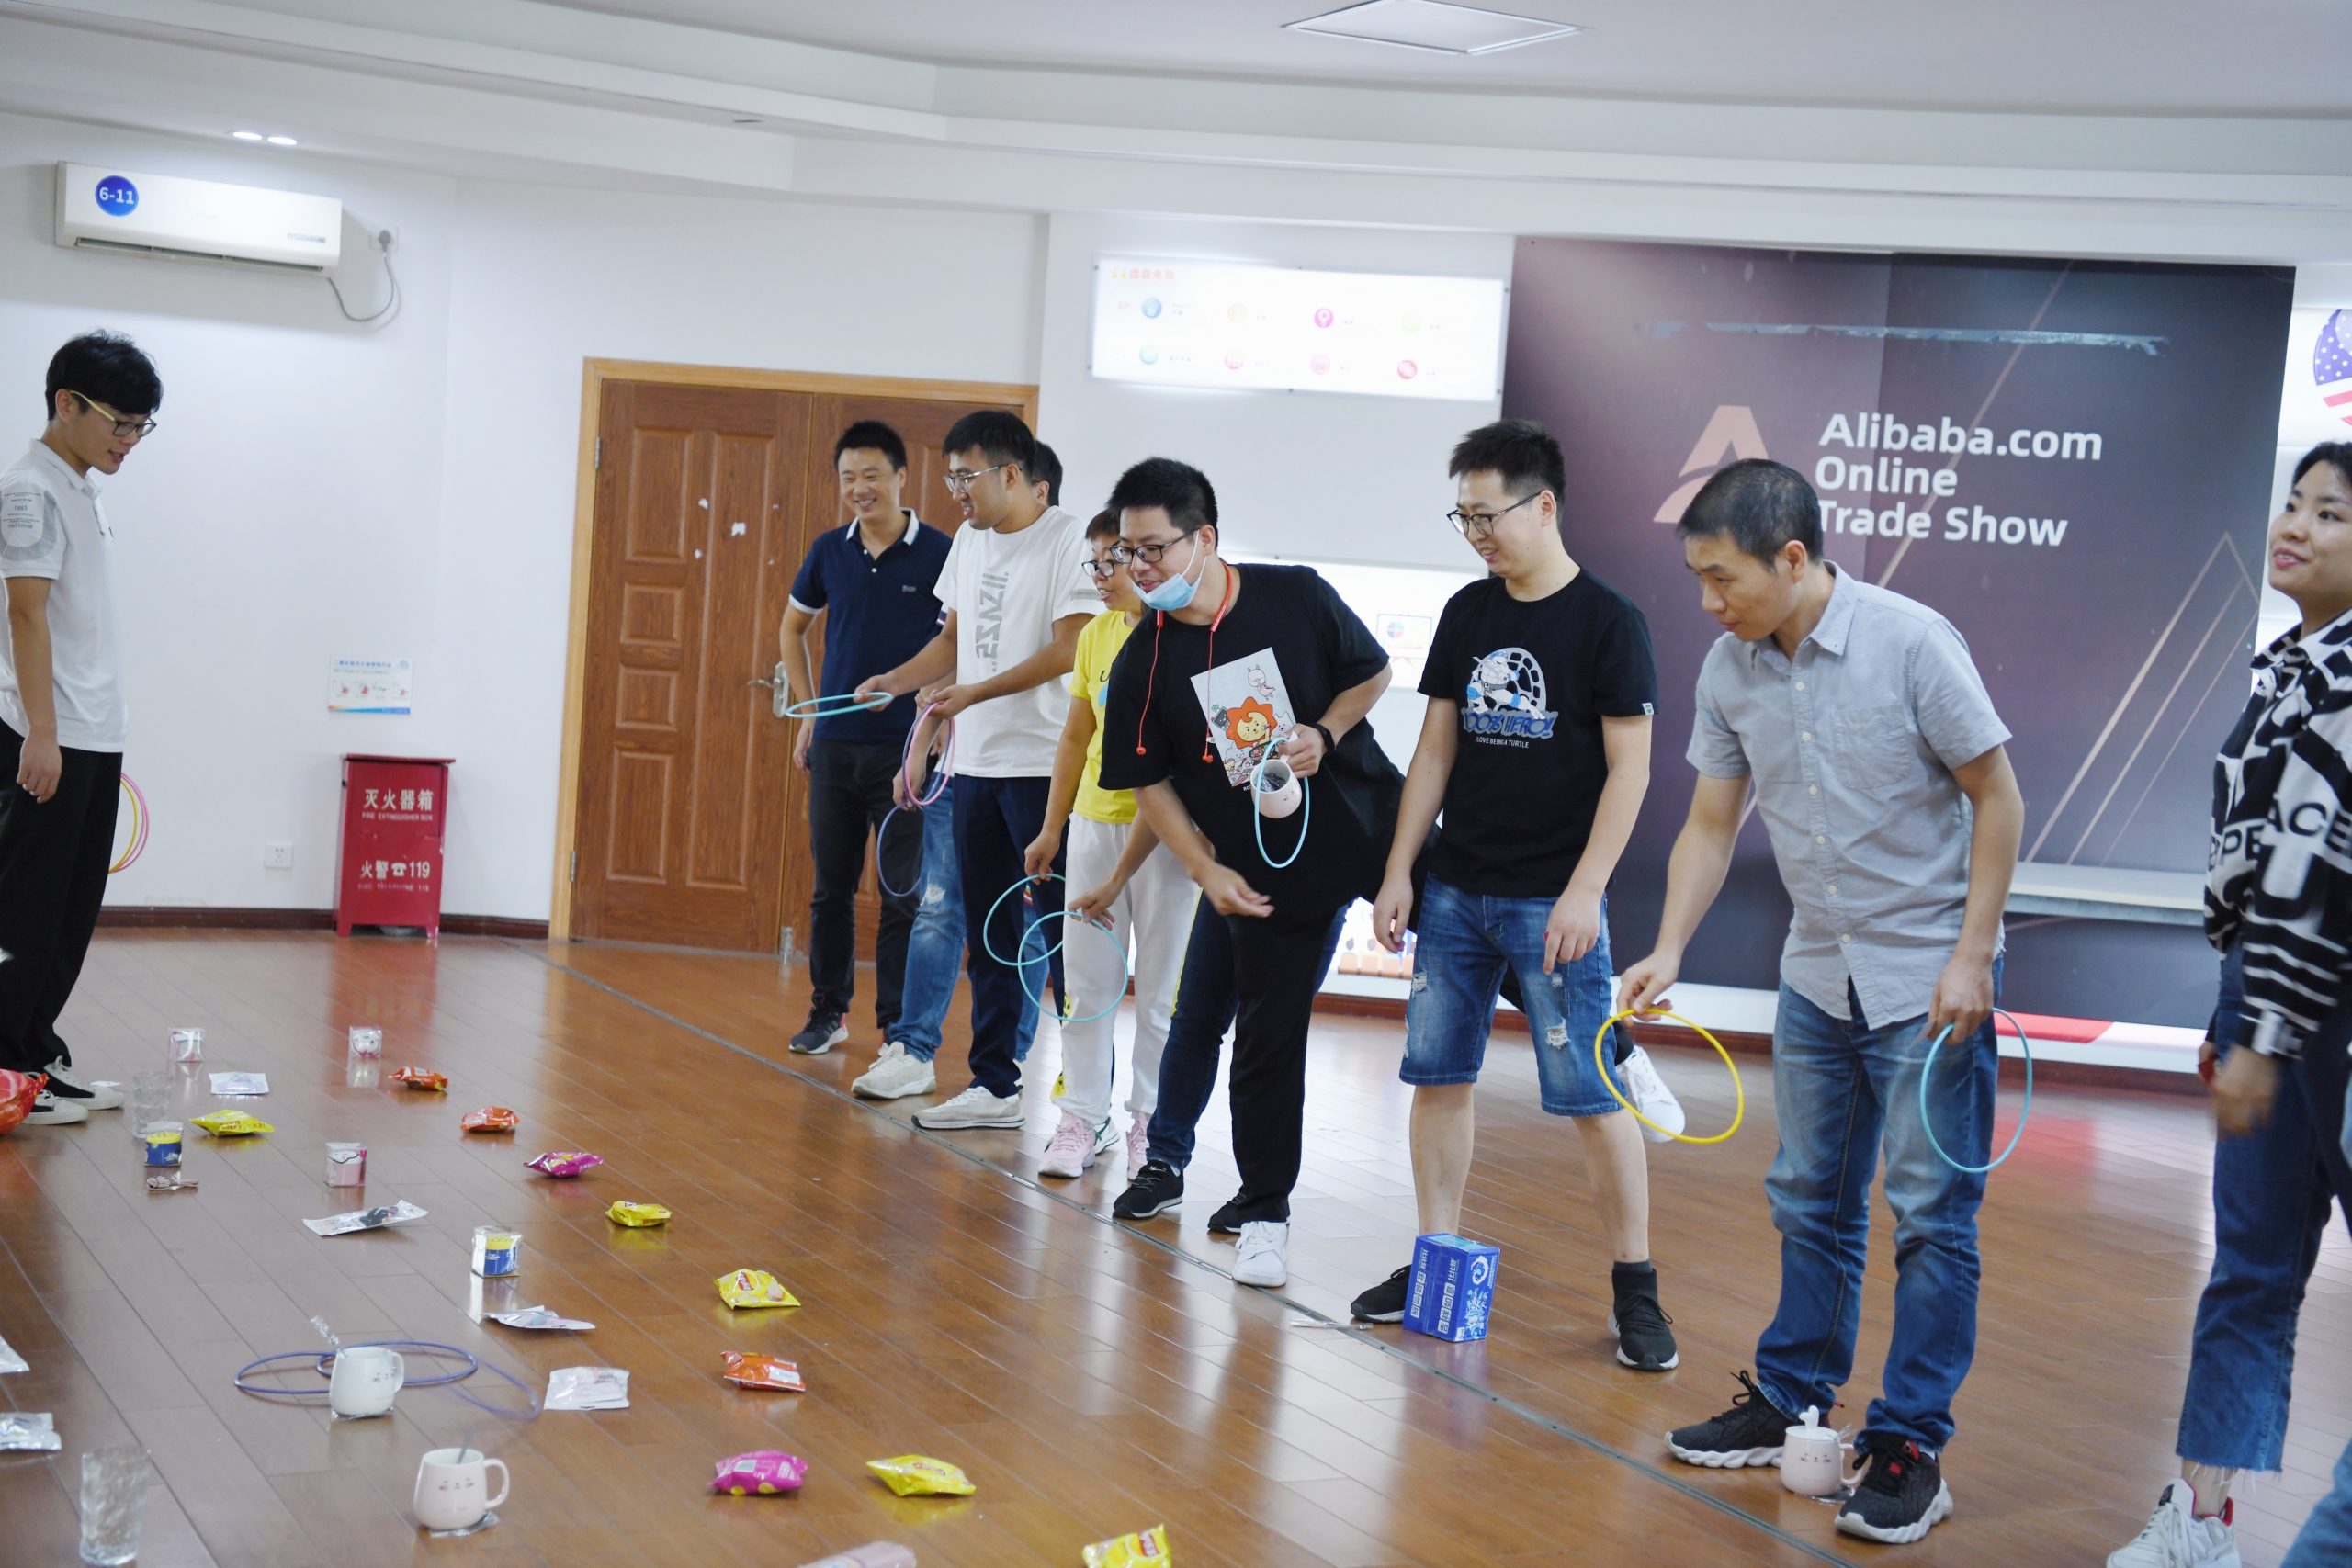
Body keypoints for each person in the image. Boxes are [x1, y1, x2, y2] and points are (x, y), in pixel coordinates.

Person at [1619, 458, 2021, 1545]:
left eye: (1724, 577)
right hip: (1814, 975)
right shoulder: (1729, 667)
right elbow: (1711, 823)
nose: (1709, 602)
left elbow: (1997, 797)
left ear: (1792, 559)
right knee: (1808, 1198)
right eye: (1698, 579)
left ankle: (1909, 1447)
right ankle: (1792, 1397)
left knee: (1930, 1217)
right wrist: (1668, 947)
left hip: (1926, 982)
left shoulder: (1912, 642)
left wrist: (1972, 955)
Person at [1351, 419, 1677, 1371]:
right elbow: (1435, 750)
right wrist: (1400, 868)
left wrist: (1585, 890)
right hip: (1456, 889)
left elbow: (1631, 772)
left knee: (1591, 1095)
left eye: (1487, 515)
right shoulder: (1467, 612)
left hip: (1554, 901)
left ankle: (1636, 1290)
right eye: (1463, 518)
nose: (1476, 534)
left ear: (1544, 506)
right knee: (1437, 1077)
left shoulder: (1609, 621)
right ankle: (1433, 1257)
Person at [2108, 443, 2352, 1568]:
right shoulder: (2287, 668)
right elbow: (2255, 873)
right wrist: (2238, 1012)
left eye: (2331, 513)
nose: (2294, 525)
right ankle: (2198, 1524)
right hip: (2262, 988)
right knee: (2249, 1269)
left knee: (2253, 1267)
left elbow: (2314, 872)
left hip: (2320, 1002)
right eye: (2294, 503)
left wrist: (2263, 1026)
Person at [1096, 457, 1401, 1289]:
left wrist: (1324, 733)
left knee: (1487, 916)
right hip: (1263, 870)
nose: (1139, 567)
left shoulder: (1293, 595)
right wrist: (1205, 869)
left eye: (1154, 549)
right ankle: (1265, 1212)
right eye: (1127, 552)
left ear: (1205, 538)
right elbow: (1147, 783)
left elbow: (1371, 671)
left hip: (1368, 824)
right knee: (1262, 1035)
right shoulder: (1143, 660)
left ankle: (1613, 1047)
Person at [855, 412, 1094, 1130]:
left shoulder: (1069, 538)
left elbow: (1071, 648)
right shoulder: (968, 540)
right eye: (950, 477)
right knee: (991, 931)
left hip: (1043, 765)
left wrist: (976, 692)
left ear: (1012, 474)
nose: (956, 491)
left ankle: (1088, 1099)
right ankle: (995, 1084)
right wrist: (897, 681)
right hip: (976, 766)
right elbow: (954, 643)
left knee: (1058, 935)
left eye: (967, 476)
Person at [0, 332, 161, 1128]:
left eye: (141, 427)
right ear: (67, 403)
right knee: (26, 908)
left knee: (70, 910)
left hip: (92, 732)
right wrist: (41, 731)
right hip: (47, 735)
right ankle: (7, 1068)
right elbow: (26, 614)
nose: (128, 440)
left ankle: (35, 1054)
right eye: (119, 422)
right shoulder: (29, 491)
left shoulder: (79, 489)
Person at [1023, 510, 1197, 1180]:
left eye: (1113, 561)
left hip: (1169, 834)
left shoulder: (1181, 635)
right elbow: (1075, 736)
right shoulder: (1096, 635)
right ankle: (1082, 1116)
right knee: (1087, 983)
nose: (1100, 576)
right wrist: (1052, 826)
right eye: (1093, 563)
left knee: (1160, 991)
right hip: (1095, 825)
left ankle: (1150, 1123)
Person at [777, 420, 950, 1055]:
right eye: (849, 477)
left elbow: (954, 644)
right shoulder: (829, 550)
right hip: (835, 747)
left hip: (906, 751)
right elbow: (791, 629)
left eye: (871, 475)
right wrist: (808, 715)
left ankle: (896, 1028)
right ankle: (829, 1010)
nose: (859, 488)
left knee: (903, 895)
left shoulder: (940, 551)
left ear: (902, 477)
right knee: (831, 890)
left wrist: (935, 722)